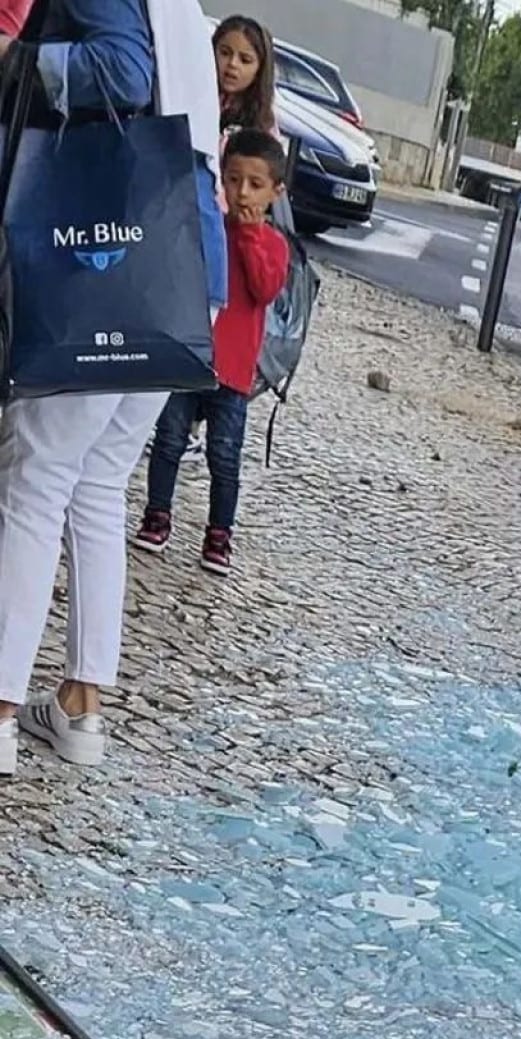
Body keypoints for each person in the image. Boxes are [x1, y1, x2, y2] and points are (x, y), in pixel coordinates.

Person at [0, 0, 226, 776]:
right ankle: (81, 705)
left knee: (37, 479)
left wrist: (19, 63)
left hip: (110, 253)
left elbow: (124, 72)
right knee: (98, 484)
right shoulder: (185, 9)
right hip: (183, 263)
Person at [135, 130, 289, 575]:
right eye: (235, 179)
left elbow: (263, 287)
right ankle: (157, 513)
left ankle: (220, 532)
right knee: (168, 441)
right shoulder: (209, 230)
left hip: (234, 372)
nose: (243, 192)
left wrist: (248, 236)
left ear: (275, 192)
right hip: (191, 356)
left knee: (224, 455)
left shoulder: (273, 245)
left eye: (256, 185)